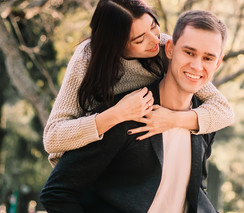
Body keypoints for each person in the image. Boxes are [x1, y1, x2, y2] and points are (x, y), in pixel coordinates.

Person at [40, 9, 236, 213]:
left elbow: (195, 190)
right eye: (189, 52)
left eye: (208, 58)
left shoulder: (203, 122)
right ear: (171, 49)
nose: (196, 65)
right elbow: (56, 191)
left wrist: (173, 119)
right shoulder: (124, 113)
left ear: (218, 62)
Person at [43, 0, 234, 167]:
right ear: (117, 45)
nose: (154, 40)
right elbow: (52, 138)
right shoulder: (87, 58)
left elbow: (223, 111)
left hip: (133, 163)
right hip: (87, 166)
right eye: (139, 39)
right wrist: (117, 114)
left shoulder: (165, 48)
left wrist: (172, 119)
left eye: (153, 26)